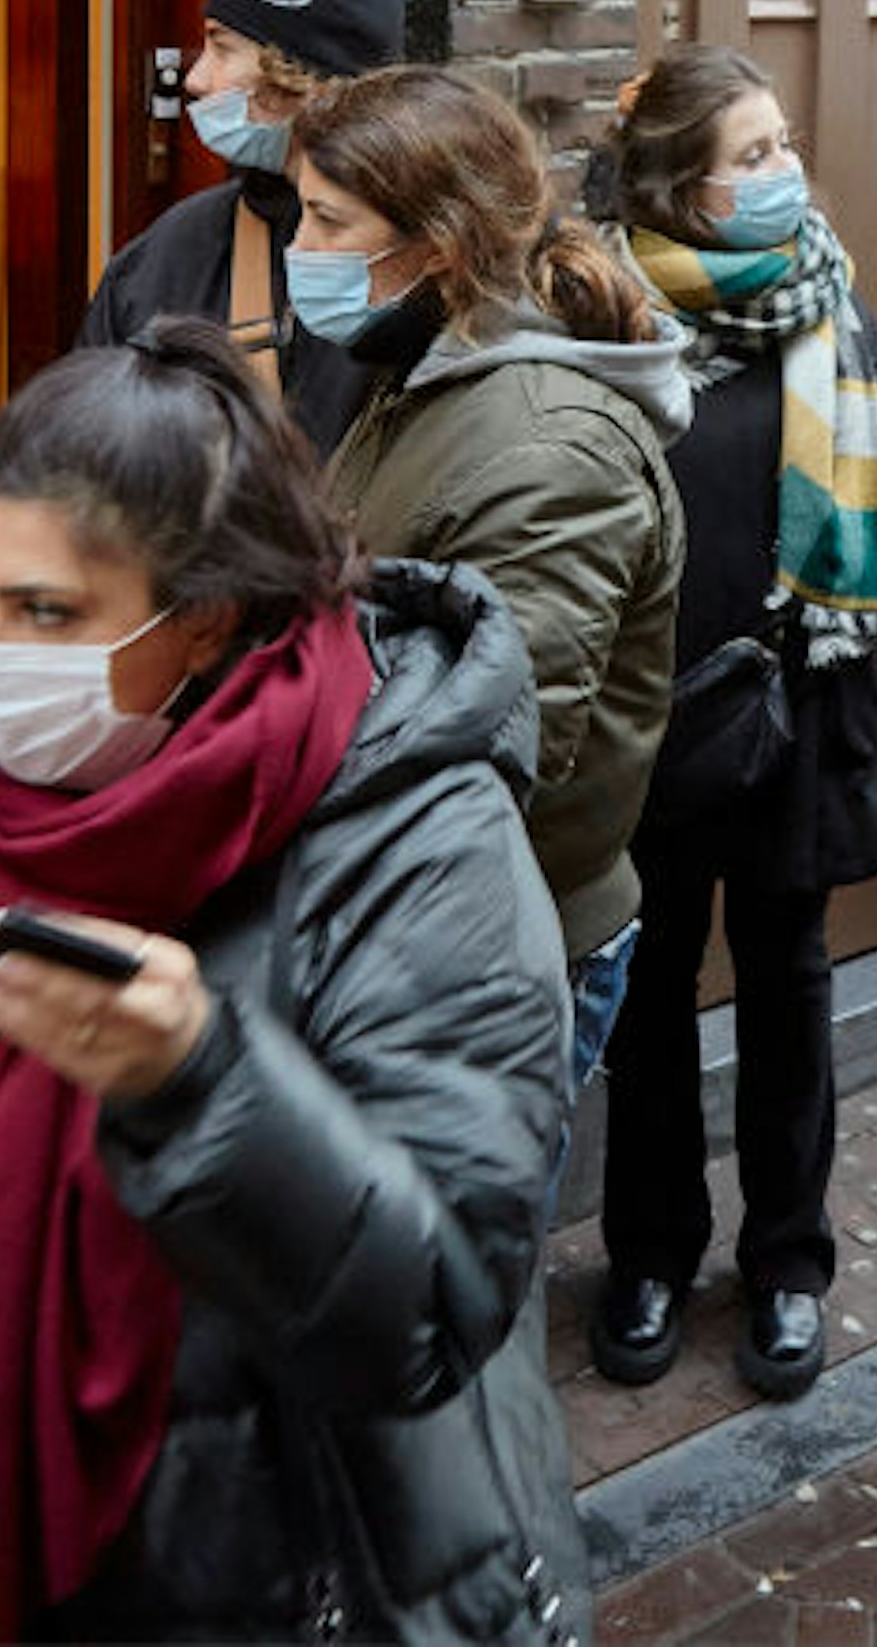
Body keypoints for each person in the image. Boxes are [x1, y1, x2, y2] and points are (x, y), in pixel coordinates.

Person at [0, 327, 587, 1644]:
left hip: (281, 1573)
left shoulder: (418, 837)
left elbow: (431, 1313)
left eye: (49, 611)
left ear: (210, 615)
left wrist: (203, 1084)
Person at [583, 46, 877, 1404]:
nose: (786, 171)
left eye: (785, 143)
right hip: (655, 715)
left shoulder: (826, 297)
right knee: (652, 988)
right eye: (753, 154)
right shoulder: (602, 309)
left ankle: (788, 1263)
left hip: (797, 706)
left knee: (790, 987)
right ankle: (651, 1253)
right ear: (678, 185)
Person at [287, 65, 688, 1099]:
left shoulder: (548, 447)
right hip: (407, 918)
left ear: (433, 246)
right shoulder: (426, 372)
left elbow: (499, 755)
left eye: (330, 222)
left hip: (491, 947)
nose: (300, 251)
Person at [75, 0, 407, 449]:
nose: (195, 78)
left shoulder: (438, 262)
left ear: (301, 76)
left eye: (221, 47)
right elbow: (84, 462)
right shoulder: (165, 256)